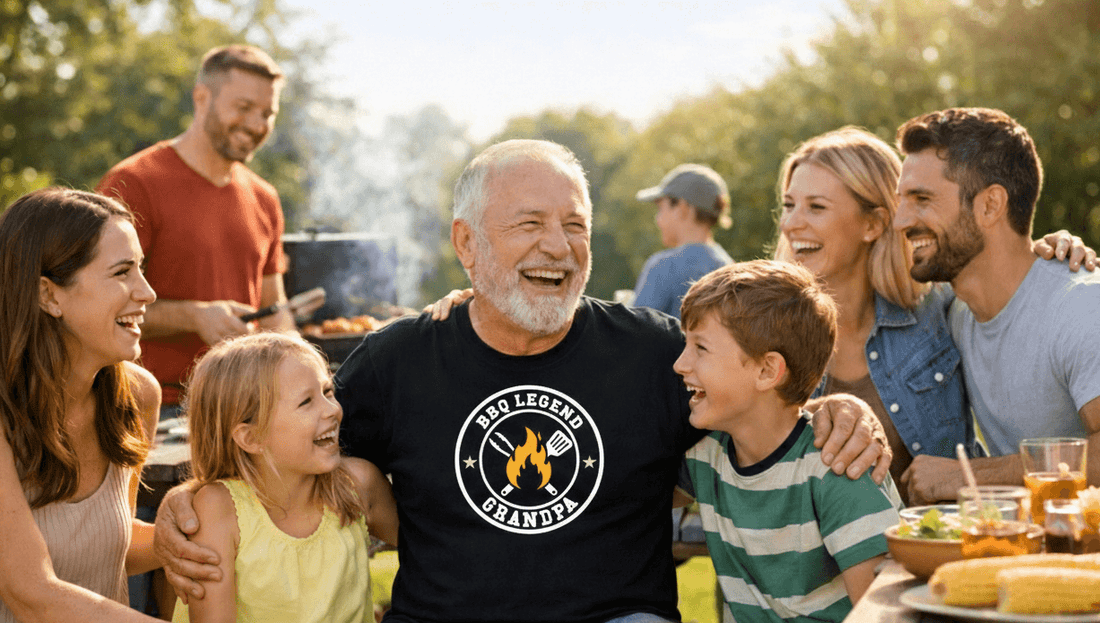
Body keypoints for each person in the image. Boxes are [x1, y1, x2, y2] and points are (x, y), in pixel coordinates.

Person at [156, 139, 891, 623]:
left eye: (575, 225)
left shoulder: (658, 355)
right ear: (467, 245)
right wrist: (186, 501)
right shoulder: (396, 361)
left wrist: (835, 411)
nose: (558, 246)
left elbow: (757, 398)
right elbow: (277, 439)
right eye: (530, 223)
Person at [775, 126, 1098, 505]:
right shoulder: (766, 332)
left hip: (928, 547)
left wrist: (1055, 259)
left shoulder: (937, 314)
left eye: (816, 206)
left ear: (873, 223)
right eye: (788, 205)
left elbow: (1000, 276)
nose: (791, 223)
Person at [894, 107, 1100, 504]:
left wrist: (973, 476)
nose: (901, 220)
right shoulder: (954, 314)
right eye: (901, 200)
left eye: (921, 199)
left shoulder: (1080, 307)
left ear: (990, 205)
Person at [676, 260, 900, 622]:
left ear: (767, 371)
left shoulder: (838, 466)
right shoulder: (705, 459)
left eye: (700, 348)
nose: (680, 364)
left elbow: (881, 612)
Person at [96, 44, 294, 414]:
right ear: (202, 98)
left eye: (268, 113)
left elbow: (274, 310)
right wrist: (195, 316)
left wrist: (301, 359)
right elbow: (98, 302)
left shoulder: (265, 197)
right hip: (152, 406)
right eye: (244, 108)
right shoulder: (134, 183)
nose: (256, 125)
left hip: (243, 406)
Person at [0, 188, 163, 622]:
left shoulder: (137, 398)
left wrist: (177, 540)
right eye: (122, 272)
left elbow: (113, 543)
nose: (146, 293)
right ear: (48, 295)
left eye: (141, 270)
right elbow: (31, 595)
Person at [169, 333, 397, 623]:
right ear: (251, 437)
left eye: (328, 392)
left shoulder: (359, 484)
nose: (333, 410)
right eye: (306, 402)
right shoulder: (217, 510)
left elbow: (434, 543)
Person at [632, 164, 734, 317]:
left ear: (682, 208)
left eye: (660, 208)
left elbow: (634, 333)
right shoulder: (731, 270)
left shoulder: (662, 267)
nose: (657, 219)